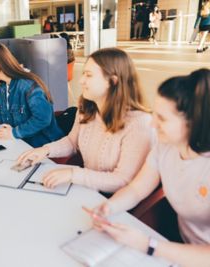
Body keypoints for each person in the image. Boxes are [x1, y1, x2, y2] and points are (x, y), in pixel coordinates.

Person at [90, 68, 210, 266]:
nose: (152, 124)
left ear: (194, 123)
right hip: (180, 247)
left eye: (162, 119)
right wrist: (110, 207)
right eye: (154, 114)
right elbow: (137, 189)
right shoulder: (165, 146)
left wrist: (149, 245)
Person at [17, 48, 153, 193]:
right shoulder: (86, 109)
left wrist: (73, 174)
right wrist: (45, 150)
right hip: (89, 190)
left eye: (89, 75)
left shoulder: (139, 123)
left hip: (116, 203)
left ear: (113, 81)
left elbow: (123, 181)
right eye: (83, 74)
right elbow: (71, 142)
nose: (81, 81)